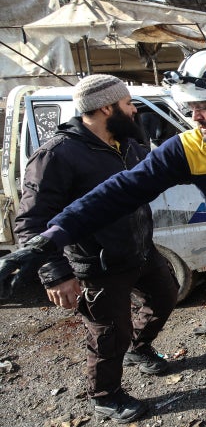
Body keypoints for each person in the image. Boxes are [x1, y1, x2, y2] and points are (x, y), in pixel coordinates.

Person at [0, 49, 206, 408]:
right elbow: (120, 190)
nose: (194, 119)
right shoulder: (187, 149)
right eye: (188, 110)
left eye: (200, 108)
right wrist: (52, 236)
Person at [2, 74, 179, 423]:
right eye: (128, 105)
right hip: (97, 264)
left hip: (140, 249)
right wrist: (56, 275)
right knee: (107, 333)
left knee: (166, 295)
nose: (134, 111)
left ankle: (138, 349)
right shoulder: (57, 155)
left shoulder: (126, 143)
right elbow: (32, 222)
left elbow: (159, 168)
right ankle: (105, 396)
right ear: (105, 108)